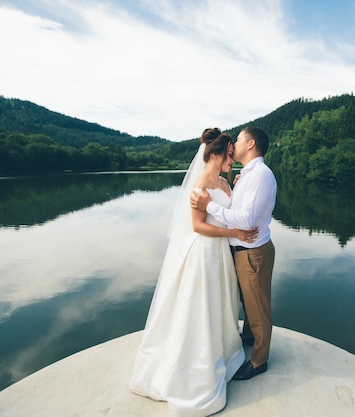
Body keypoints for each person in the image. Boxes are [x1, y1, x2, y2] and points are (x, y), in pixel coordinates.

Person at [129, 128, 258, 416]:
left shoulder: (224, 183)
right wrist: (234, 231)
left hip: (221, 253)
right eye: (227, 156)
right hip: (204, 252)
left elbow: (227, 208)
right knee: (201, 304)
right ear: (214, 154)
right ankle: (192, 365)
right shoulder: (200, 184)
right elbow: (199, 226)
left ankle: (222, 348)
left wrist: (235, 186)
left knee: (221, 303)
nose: (231, 160)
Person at [190, 126, 277, 381]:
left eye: (238, 140)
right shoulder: (245, 175)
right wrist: (234, 188)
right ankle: (249, 337)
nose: (234, 145)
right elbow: (238, 207)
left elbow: (246, 219)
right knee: (247, 301)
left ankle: (259, 360)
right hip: (238, 250)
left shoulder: (260, 174)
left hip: (252, 251)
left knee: (258, 308)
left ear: (250, 145)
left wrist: (210, 206)